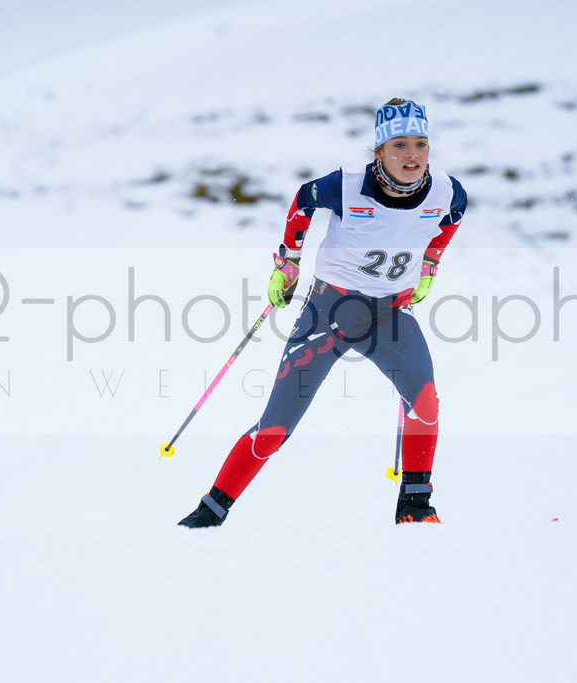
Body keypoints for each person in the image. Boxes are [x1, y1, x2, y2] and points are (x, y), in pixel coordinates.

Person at [178, 98, 467, 527]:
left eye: (421, 144)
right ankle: (209, 513)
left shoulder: (447, 191)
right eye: (399, 145)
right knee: (275, 428)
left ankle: (416, 508)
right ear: (379, 153)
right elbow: (302, 201)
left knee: (425, 402)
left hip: (388, 317)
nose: (412, 155)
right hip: (327, 314)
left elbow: (451, 218)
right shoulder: (345, 187)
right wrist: (288, 261)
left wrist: (430, 265)